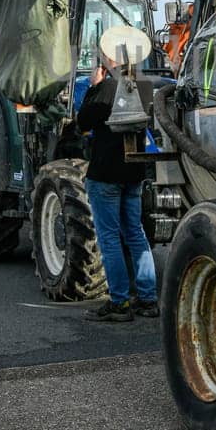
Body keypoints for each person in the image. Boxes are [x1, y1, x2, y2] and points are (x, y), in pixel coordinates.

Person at [76, 61, 157, 322]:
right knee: (135, 233)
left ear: (109, 61)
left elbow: (84, 121)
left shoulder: (107, 87)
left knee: (109, 238)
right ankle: (148, 299)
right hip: (133, 171)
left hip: (105, 173)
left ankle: (119, 302)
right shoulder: (144, 85)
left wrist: (92, 87)